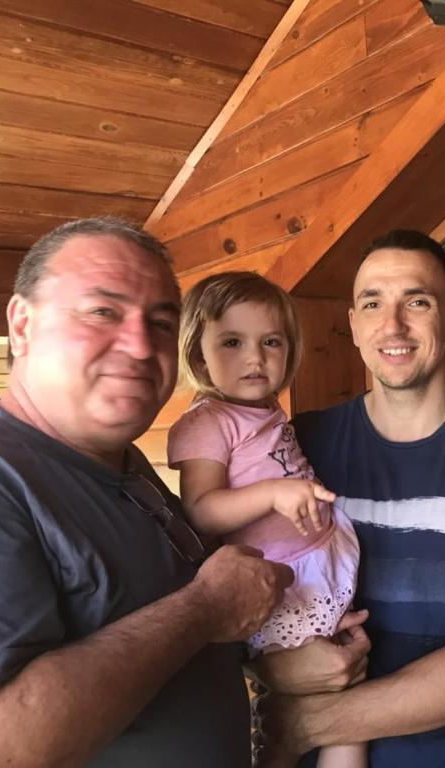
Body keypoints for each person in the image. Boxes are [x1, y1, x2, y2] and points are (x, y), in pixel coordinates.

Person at [0, 218, 293, 767]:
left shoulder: (125, 465)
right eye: (102, 312)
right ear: (22, 326)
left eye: (161, 322)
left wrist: (280, 668)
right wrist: (204, 608)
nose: (141, 345)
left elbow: (179, 639)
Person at [254, 229, 445, 767]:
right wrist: (271, 669)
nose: (392, 325)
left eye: (417, 302)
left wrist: (310, 722)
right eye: (373, 303)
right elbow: (241, 605)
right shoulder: (298, 446)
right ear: (354, 325)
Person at [167, 272, 364, 768]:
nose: (255, 358)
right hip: (281, 579)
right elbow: (201, 510)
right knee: (295, 713)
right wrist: (273, 494)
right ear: (199, 357)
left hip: (318, 561)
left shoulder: (265, 407)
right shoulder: (207, 421)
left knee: (347, 703)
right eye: (232, 342)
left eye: (270, 342)